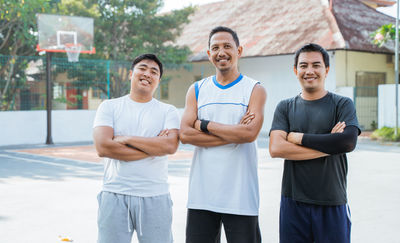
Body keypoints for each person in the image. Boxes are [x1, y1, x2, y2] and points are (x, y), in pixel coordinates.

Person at [180, 26, 267, 243]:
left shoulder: (254, 89)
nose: (221, 52)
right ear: (209, 54)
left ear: (239, 50)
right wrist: (234, 132)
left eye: (227, 46)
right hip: (202, 196)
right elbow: (185, 134)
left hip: (241, 196)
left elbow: (249, 134)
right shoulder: (197, 89)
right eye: (215, 47)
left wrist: (204, 124)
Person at [269, 43, 361, 243]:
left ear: (326, 70)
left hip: (332, 202)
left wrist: (298, 138)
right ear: (295, 70)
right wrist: (330, 145)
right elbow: (276, 148)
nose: (309, 71)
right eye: (303, 66)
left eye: (316, 65)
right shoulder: (285, 107)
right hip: (293, 202)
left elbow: (347, 142)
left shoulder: (342, 104)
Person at [93, 53, 180, 243]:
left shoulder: (168, 111)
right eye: (142, 68)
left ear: (158, 80)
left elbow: (170, 145)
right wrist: (153, 146)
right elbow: (103, 147)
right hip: (115, 194)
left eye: (154, 71)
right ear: (130, 74)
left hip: (155, 196)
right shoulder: (109, 107)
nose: (147, 74)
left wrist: (126, 139)